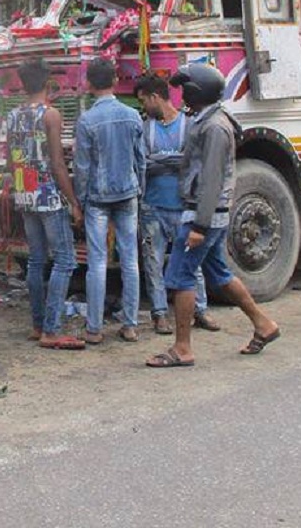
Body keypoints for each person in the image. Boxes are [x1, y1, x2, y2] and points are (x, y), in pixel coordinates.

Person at [147, 63, 281, 368]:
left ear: (196, 93)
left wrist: (199, 225)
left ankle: (182, 348)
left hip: (203, 216)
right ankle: (264, 324)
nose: (181, 97)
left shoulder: (214, 128)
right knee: (219, 274)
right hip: (207, 215)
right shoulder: (207, 121)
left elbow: (210, 180)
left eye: (185, 91)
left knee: (181, 278)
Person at [5, 59, 84, 350]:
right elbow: (57, 163)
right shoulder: (50, 115)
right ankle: (52, 329)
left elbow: (13, 158)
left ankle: (38, 325)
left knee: (37, 260)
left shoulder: (12, 115)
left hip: (25, 193)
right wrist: (73, 202)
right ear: (47, 82)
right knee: (65, 259)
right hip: (48, 195)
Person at [134, 72, 219, 335]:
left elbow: (191, 162)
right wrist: (170, 162)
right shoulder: (144, 127)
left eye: (143, 101)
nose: (143, 107)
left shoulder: (189, 124)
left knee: (191, 262)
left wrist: (161, 162)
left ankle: (199, 310)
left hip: (183, 206)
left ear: (154, 97)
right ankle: (160, 314)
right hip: (152, 207)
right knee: (153, 263)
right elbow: (142, 164)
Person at [74, 56, 145, 344]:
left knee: (98, 261)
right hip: (128, 194)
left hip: (98, 198)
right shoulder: (132, 115)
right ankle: (130, 325)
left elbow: (82, 168)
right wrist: (141, 189)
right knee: (130, 260)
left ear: (89, 84)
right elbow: (141, 160)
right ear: (115, 81)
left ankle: (94, 328)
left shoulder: (86, 120)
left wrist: (80, 200)